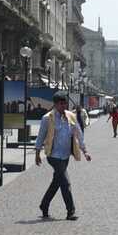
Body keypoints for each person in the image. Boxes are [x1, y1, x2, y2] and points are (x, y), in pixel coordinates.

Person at [33, 92, 91, 221]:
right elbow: (41, 136)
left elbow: (79, 134)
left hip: (65, 155)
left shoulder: (71, 116)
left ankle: (44, 205)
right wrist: (37, 153)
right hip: (53, 155)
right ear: (55, 104)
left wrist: (85, 151)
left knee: (57, 182)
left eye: (65, 103)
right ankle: (70, 211)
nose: (63, 106)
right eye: (61, 103)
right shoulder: (47, 118)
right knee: (65, 182)